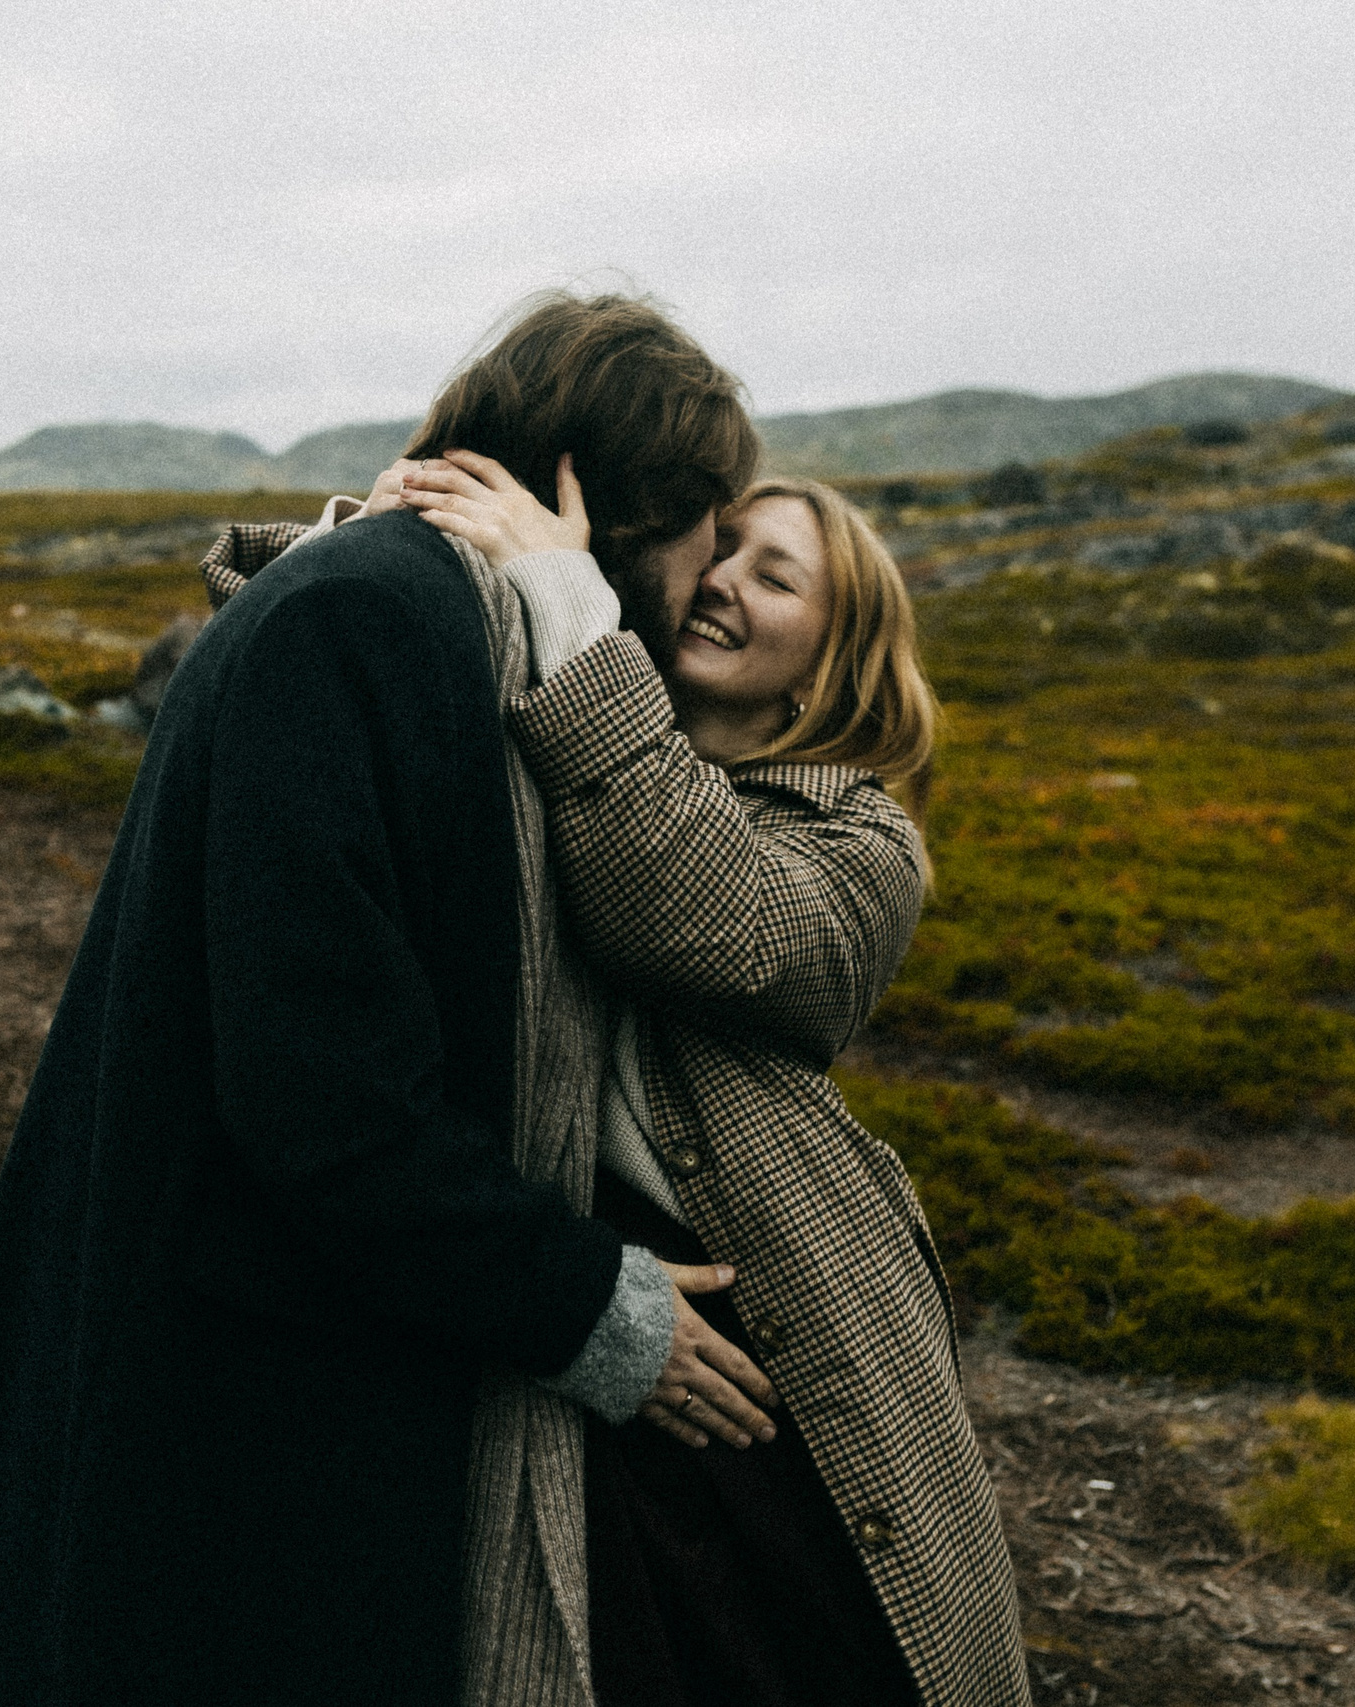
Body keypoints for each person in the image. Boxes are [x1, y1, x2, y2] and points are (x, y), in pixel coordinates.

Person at [0, 292, 774, 1707]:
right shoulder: (366, 621)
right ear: (626, 489)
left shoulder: (404, 609)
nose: (718, 567)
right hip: (243, 1389)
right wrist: (595, 1306)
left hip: (269, 1348)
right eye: (715, 518)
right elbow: (322, 1097)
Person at [388, 454, 1031, 1705]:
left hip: (765, 1327)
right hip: (572, 1304)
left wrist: (568, 606)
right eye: (721, 548)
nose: (722, 582)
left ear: (828, 668)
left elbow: (703, 921)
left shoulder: (860, 840)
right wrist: (406, 529)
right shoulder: (565, 719)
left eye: (774, 575)